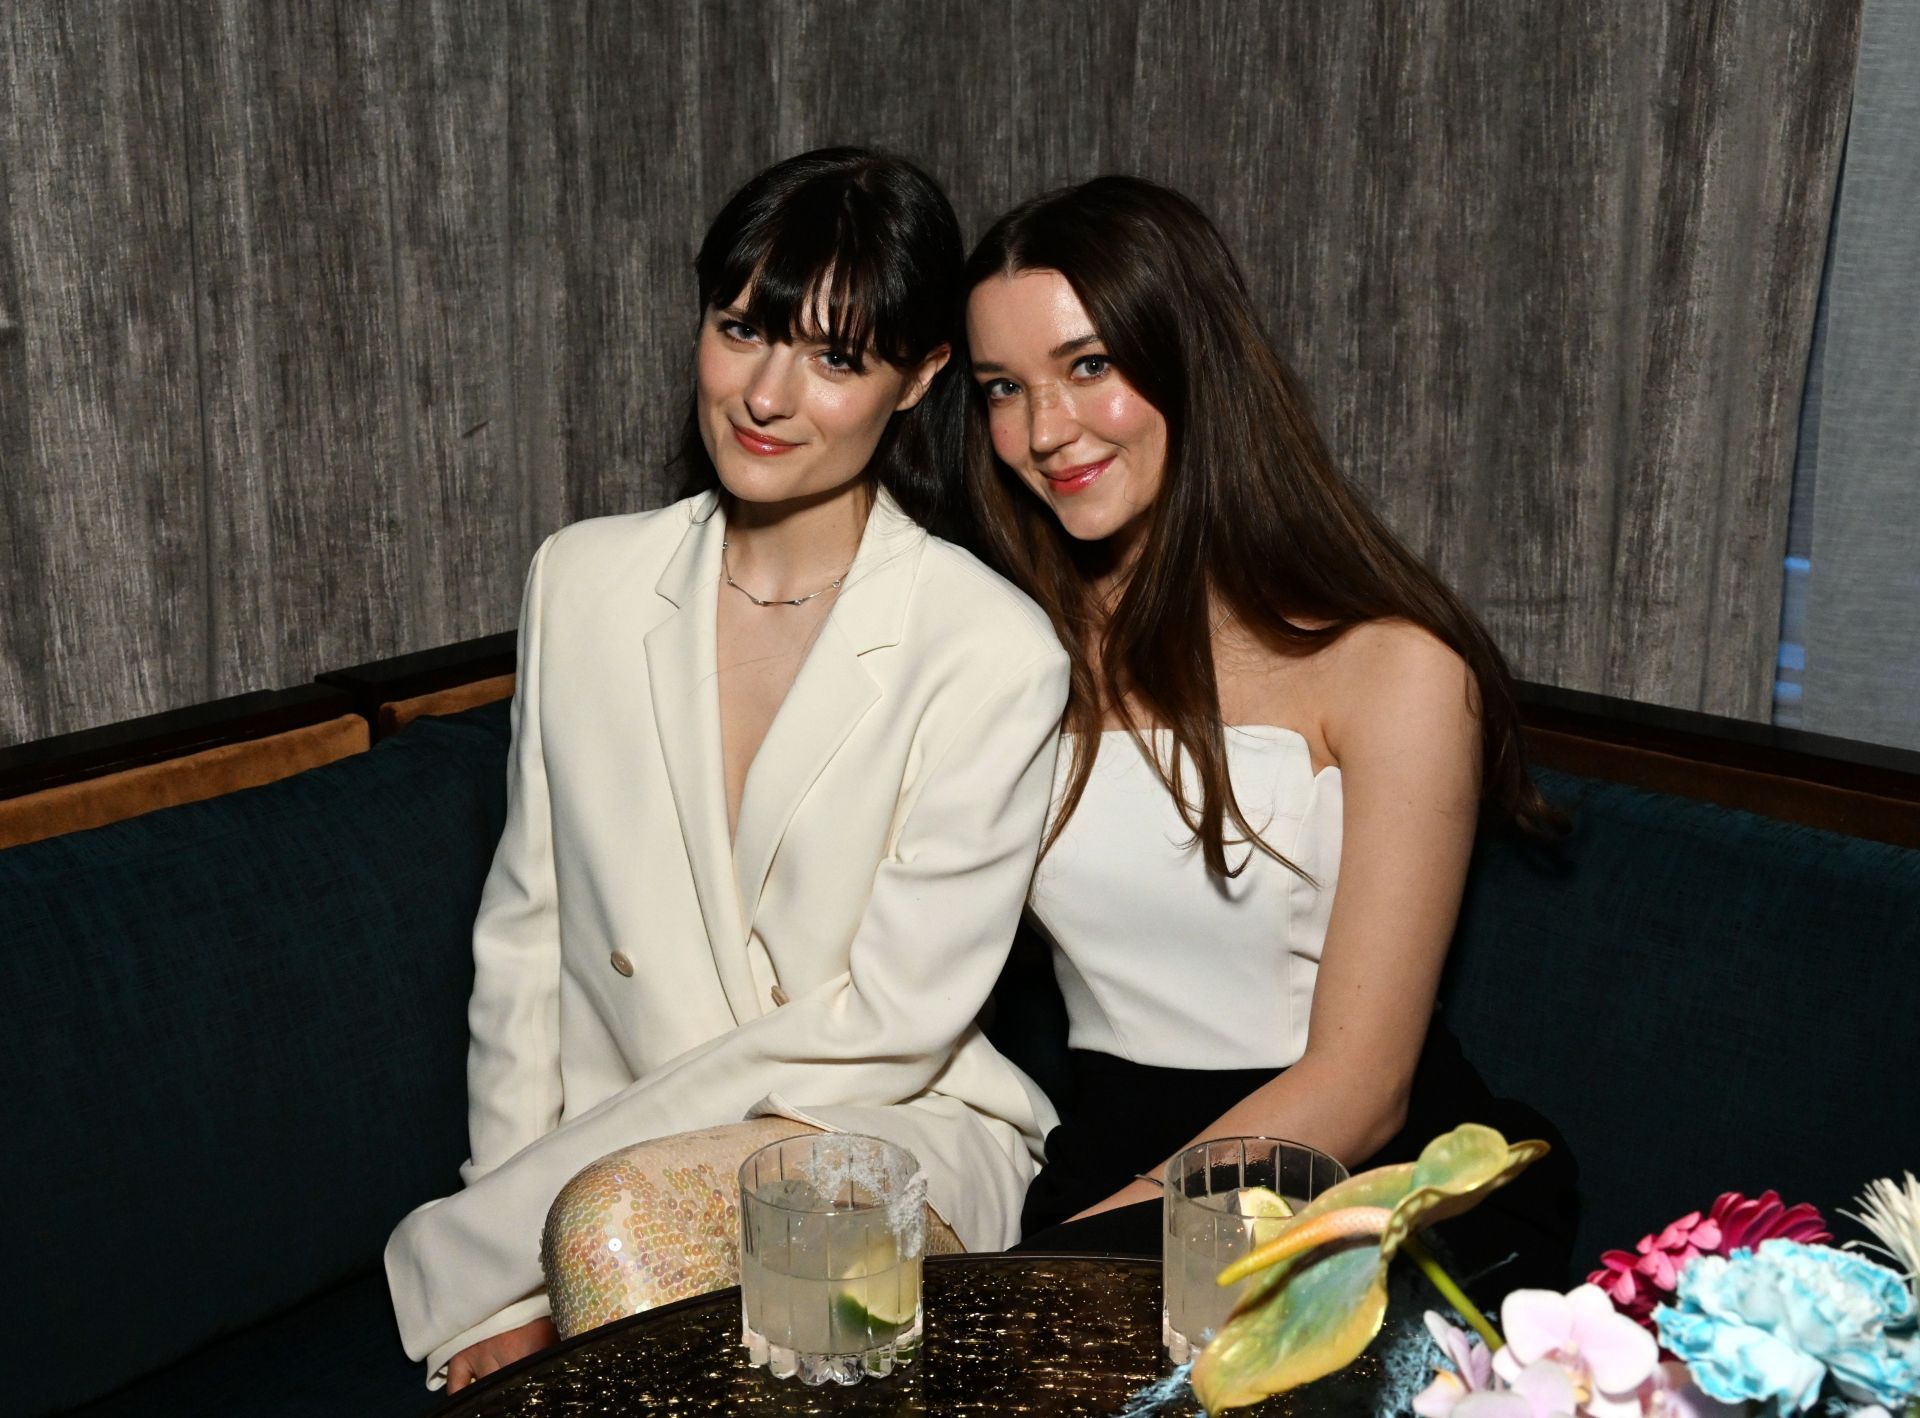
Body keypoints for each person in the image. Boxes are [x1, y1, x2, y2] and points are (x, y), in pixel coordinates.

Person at [385, 148, 1069, 1391]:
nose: (765, 392)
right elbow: (527, 940)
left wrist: (579, 1198)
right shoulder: (580, 581)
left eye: (835, 357)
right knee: (620, 1250)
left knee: (641, 1235)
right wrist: (511, 1240)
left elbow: (896, 1023)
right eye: (742, 327)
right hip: (602, 1175)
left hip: (880, 1135)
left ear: (918, 379)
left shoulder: (991, 649)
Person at [961, 176, 1577, 1287]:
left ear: (1193, 359)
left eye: (1089, 365)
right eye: (1004, 388)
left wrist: (1069, 1268)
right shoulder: (1012, 652)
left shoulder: (1392, 668)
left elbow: (1362, 1082)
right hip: (1110, 1151)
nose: (1044, 430)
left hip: (1349, 1184)